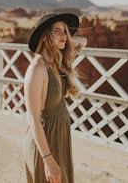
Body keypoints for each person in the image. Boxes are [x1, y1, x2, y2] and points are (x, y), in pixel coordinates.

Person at [23, 13, 87, 183]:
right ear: (44, 36)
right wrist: (48, 160)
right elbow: (33, 119)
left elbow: (83, 42)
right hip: (45, 143)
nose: (64, 36)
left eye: (65, 32)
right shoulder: (38, 68)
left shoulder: (56, 62)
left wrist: (64, 38)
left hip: (59, 140)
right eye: (58, 31)